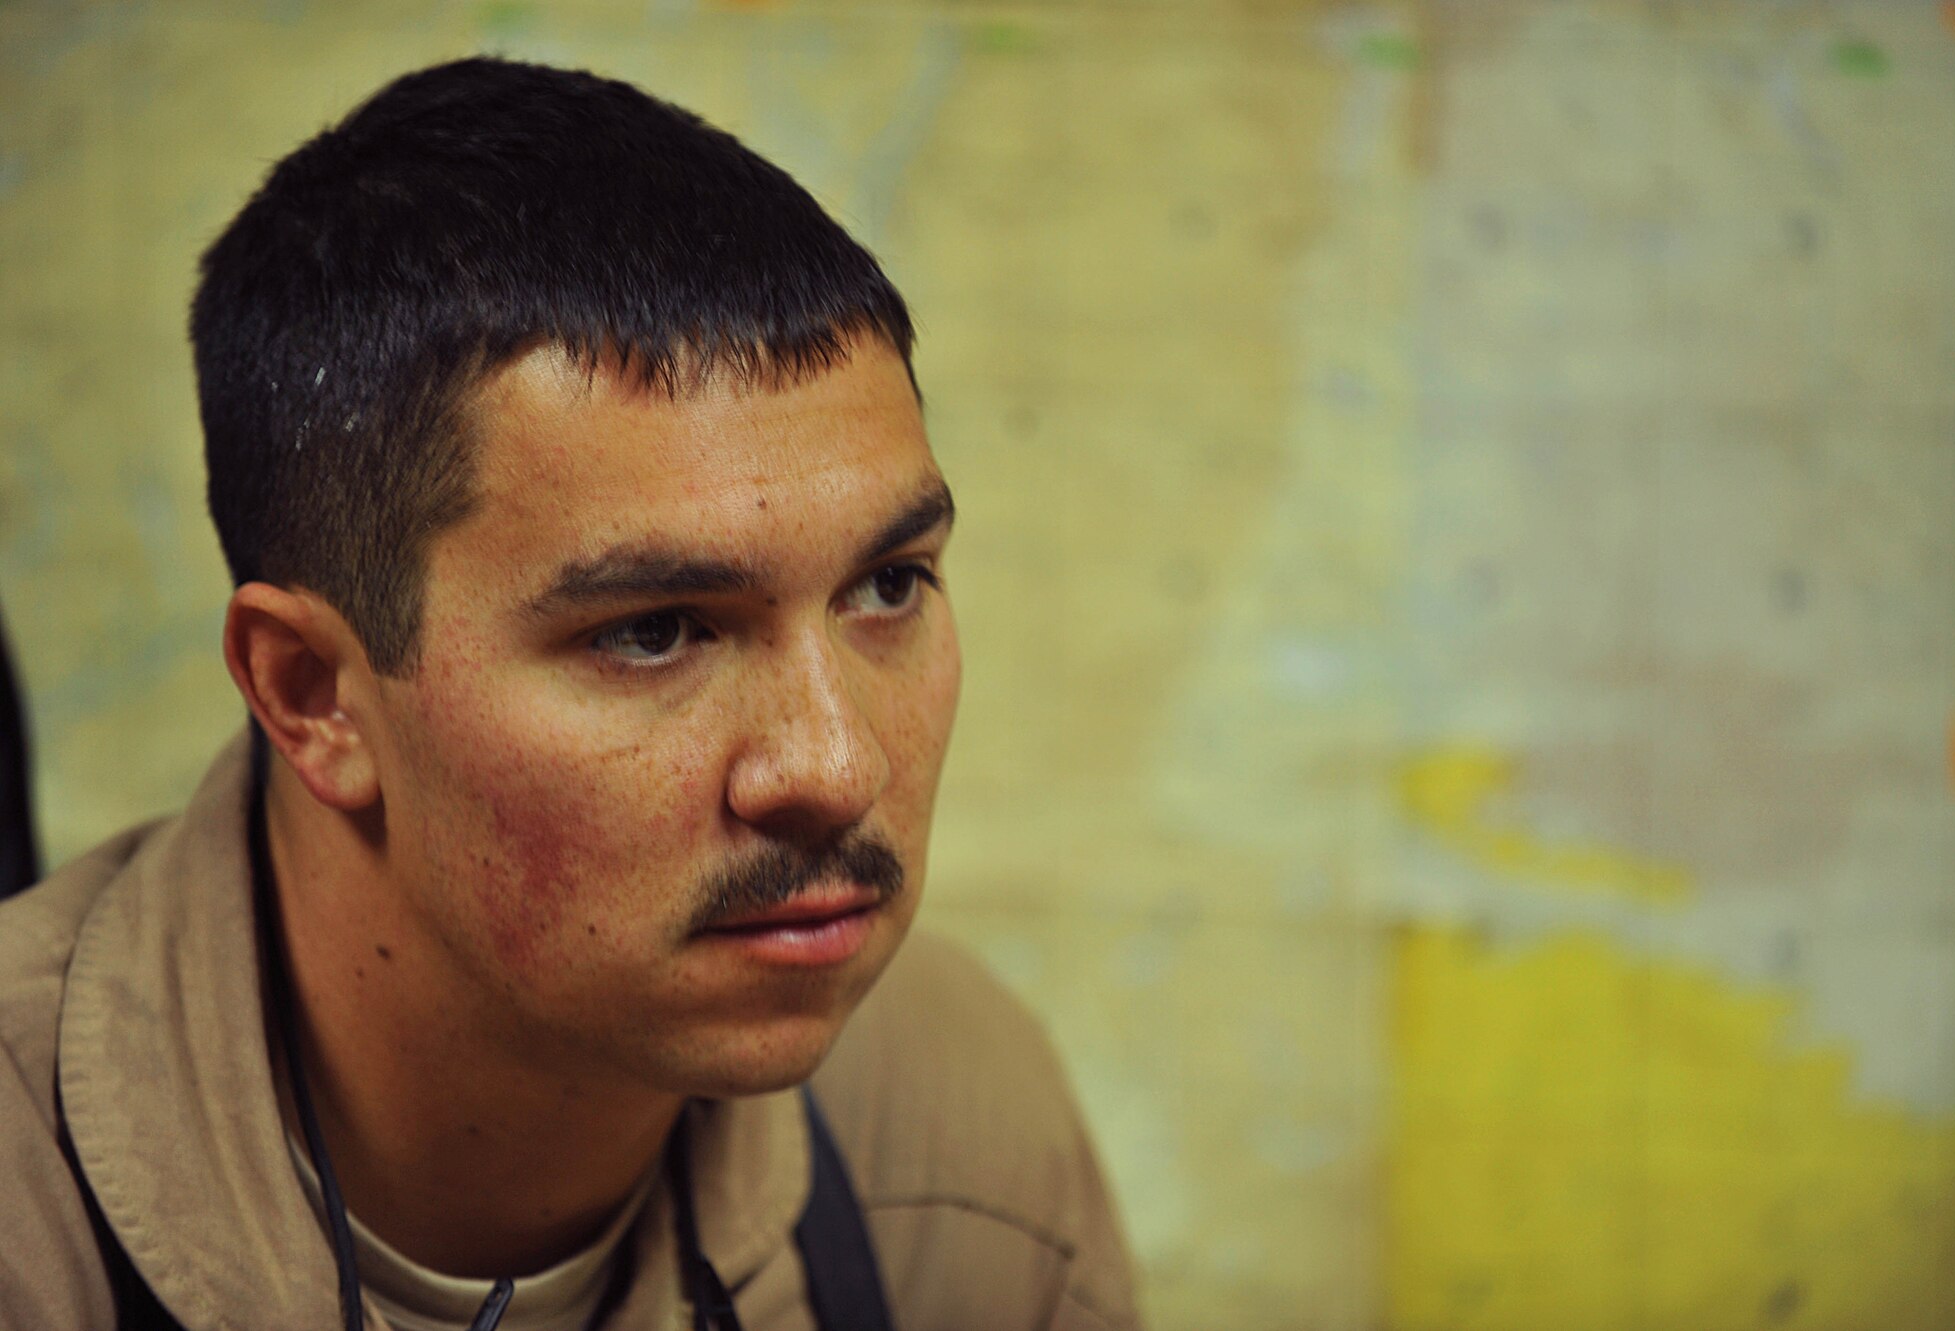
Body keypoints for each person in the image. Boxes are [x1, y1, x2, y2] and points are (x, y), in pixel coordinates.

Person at [0, 58, 1140, 1331]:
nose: (834, 764)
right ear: (312, 690)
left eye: (885, 586)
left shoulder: (944, 1123)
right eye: (654, 631)